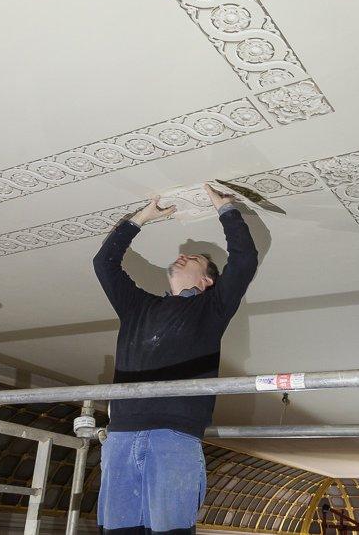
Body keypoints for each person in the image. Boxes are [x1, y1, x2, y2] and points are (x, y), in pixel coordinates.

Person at [93, 184, 259, 534]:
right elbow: (104, 264)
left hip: (173, 435)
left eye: (195, 259)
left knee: (170, 530)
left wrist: (226, 209)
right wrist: (141, 218)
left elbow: (244, 260)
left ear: (207, 281)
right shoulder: (138, 307)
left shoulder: (210, 309)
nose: (183, 256)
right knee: (117, 530)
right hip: (121, 435)